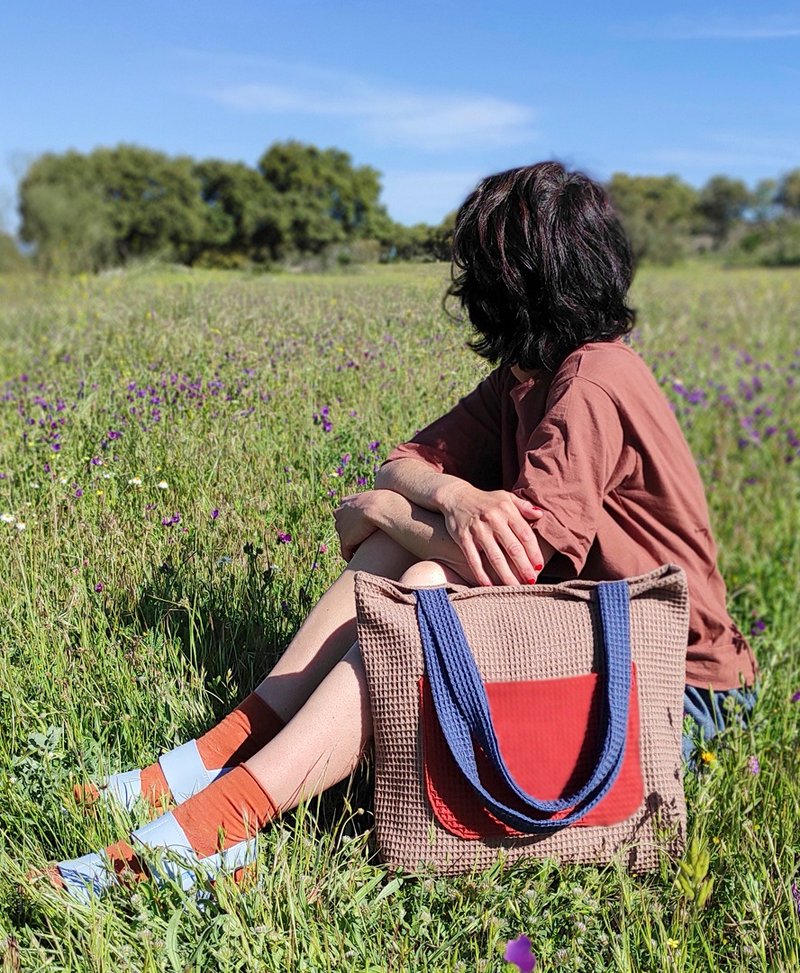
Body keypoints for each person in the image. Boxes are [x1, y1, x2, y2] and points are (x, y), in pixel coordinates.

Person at [46, 161, 757, 899]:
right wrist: (449, 494)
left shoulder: (594, 380)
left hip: (673, 688)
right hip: (595, 639)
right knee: (402, 556)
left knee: (424, 581)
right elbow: (405, 461)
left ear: (516, 281)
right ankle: (224, 752)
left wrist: (384, 511)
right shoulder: (527, 377)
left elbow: (513, 558)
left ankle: (218, 821)